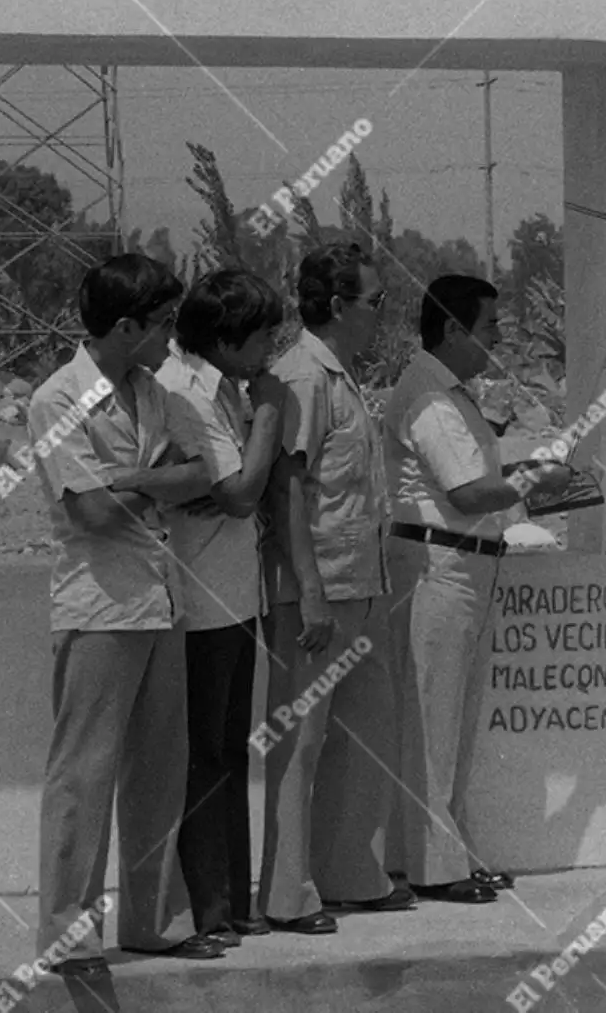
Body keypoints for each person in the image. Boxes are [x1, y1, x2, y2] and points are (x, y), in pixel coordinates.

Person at [32, 254, 228, 977]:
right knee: (84, 775)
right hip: (100, 605)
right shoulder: (57, 401)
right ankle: (67, 934)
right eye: (161, 324)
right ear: (124, 327)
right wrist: (158, 483)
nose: (171, 338)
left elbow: (202, 470)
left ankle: (152, 921)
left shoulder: (151, 391)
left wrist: (132, 480)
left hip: (158, 599)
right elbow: (89, 511)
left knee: (158, 771)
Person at [383, 276, 571, 903]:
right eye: (490, 327)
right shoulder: (431, 399)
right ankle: (435, 869)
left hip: (466, 566)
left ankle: (450, 853)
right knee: (435, 725)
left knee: (454, 724)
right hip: (439, 569)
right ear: (454, 331)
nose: (498, 339)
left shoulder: (452, 395)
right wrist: (538, 480)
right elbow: (466, 494)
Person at [258, 242, 409, 932]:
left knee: (361, 734)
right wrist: (309, 591)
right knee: (304, 742)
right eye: (374, 303)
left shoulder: (342, 376)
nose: (381, 315)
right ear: (338, 305)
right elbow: (288, 485)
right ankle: (289, 896)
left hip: (360, 583)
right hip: (318, 591)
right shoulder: (302, 378)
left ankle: (351, 873)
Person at [158, 268, 288, 945]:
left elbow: (238, 489)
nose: (272, 343)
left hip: (235, 591)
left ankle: (234, 902)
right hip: (200, 597)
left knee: (231, 753)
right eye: (264, 332)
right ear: (227, 336)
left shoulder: (221, 388)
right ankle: (207, 909)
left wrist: (239, 482)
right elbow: (237, 492)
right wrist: (268, 417)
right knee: (205, 755)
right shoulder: (188, 393)